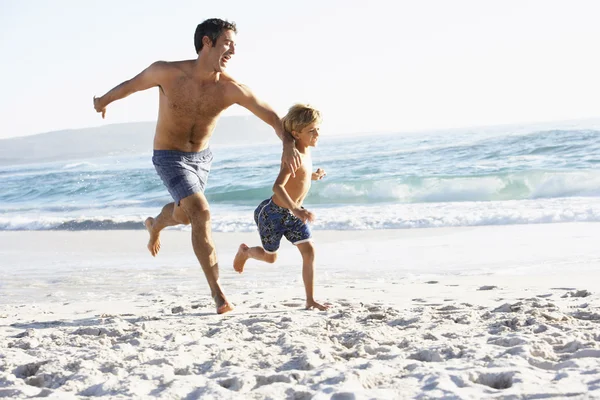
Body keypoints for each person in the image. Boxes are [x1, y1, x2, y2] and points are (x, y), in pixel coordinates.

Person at [92, 18, 301, 314]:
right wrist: (102, 101)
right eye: (227, 43)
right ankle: (218, 294)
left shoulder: (230, 88)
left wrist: (288, 143)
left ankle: (155, 224)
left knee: (187, 214)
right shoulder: (167, 72)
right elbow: (131, 86)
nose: (232, 51)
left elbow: (270, 115)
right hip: (168, 155)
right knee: (201, 211)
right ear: (207, 41)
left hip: (201, 160)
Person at [233, 104, 330, 311]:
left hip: (294, 212)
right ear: (296, 133)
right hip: (272, 214)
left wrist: (314, 176)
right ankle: (246, 253)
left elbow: (300, 177)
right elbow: (277, 187)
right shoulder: (292, 156)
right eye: (312, 130)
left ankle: (310, 300)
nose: (317, 134)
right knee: (270, 258)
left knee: (309, 252)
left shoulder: (306, 153)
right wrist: (295, 209)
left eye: (318, 129)